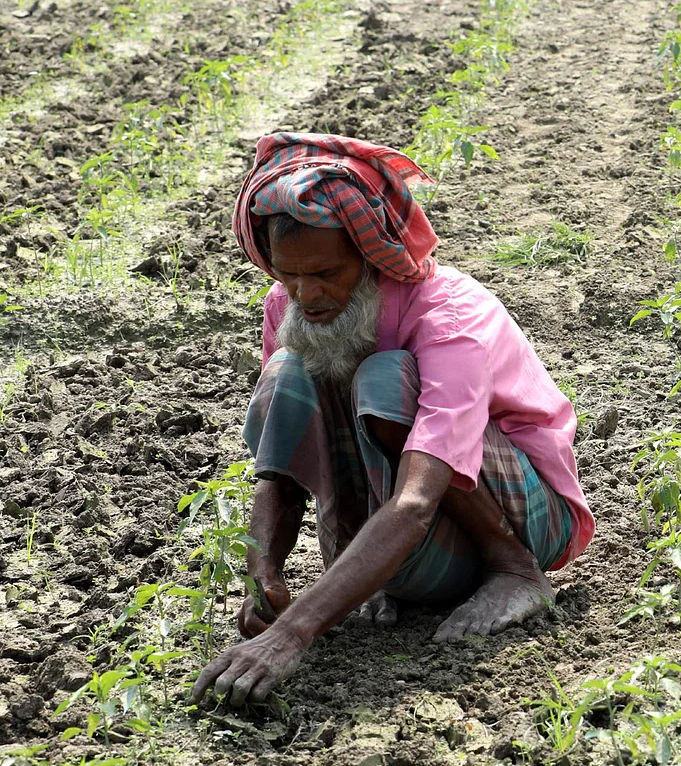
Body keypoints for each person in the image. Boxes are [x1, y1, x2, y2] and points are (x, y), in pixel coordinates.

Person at [191, 133, 594, 708]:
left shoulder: (450, 314)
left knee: (384, 377)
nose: (305, 294)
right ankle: (372, 575)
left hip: (515, 520)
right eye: (289, 276)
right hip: (406, 546)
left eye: (326, 273)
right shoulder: (288, 308)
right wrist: (265, 576)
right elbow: (280, 459)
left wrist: (293, 633)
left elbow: (417, 499)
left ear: (371, 256)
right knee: (287, 371)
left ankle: (516, 574)